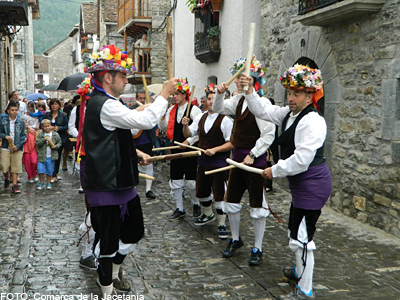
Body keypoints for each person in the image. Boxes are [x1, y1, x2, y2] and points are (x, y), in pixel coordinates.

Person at [83, 44, 177, 297]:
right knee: (108, 243)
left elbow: (114, 135)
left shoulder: (107, 102)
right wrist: (164, 95)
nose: (126, 80)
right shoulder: (105, 104)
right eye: (122, 76)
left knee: (135, 231)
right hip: (106, 184)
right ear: (107, 77)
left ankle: (112, 275)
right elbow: (145, 122)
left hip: (120, 182)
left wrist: (134, 153)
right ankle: (106, 290)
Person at [244, 64, 331, 300]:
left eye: (297, 94)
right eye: (289, 93)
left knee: (302, 238)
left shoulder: (312, 121)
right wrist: (249, 90)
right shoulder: (289, 114)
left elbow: (302, 159)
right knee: (296, 230)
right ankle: (298, 271)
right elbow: (263, 111)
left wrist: (275, 169)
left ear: (310, 95)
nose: (291, 98)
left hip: (312, 185)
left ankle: (305, 290)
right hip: (302, 186)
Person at [214, 56, 275, 266]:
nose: (239, 82)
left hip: (255, 163)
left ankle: (258, 246)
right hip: (236, 161)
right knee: (230, 202)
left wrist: (254, 154)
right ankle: (235, 238)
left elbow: (268, 134)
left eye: (243, 78)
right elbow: (218, 109)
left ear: (253, 80)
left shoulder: (262, 103)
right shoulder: (238, 101)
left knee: (258, 207)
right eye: (238, 78)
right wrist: (219, 94)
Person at [181, 83, 233, 239]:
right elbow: (189, 134)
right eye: (209, 98)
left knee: (219, 192)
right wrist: (185, 126)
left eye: (214, 98)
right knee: (202, 190)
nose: (211, 101)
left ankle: (222, 223)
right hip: (203, 161)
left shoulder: (226, 120)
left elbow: (231, 142)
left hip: (219, 163)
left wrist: (215, 150)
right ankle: (208, 214)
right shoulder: (200, 117)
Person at [159, 78, 202, 220]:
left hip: (190, 148)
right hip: (175, 147)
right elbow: (163, 129)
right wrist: (162, 118)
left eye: (177, 94)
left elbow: (199, 133)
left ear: (185, 95)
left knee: (191, 179)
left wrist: (187, 141)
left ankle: (196, 204)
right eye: (174, 94)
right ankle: (180, 208)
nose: (174, 96)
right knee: (176, 178)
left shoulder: (195, 110)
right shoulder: (171, 110)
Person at [130, 90, 157, 199]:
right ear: (136, 98)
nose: (142, 100)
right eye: (140, 98)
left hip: (146, 140)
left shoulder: (149, 110)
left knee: (149, 163)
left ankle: (148, 189)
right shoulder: (132, 110)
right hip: (134, 141)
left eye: (143, 99)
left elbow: (153, 123)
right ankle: (133, 189)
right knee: (133, 165)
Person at [0, 100, 27, 194]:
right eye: (12, 110)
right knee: (4, 165)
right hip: (5, 146)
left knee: (16, 166)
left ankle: (14, 184)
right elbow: (0, 132)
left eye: (16, 110)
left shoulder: (21, 122)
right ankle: (7, 178)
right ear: (8, 111)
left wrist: (18, 146)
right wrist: (4, 136)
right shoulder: (3, 121)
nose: (14, 111)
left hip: (17, 147)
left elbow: (24, 136)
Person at [43, 99, 69, 182]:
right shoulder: (47, 115)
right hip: (48, 137)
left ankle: (55, 174)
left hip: (59, 138)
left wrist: (59, 128)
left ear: (59, 105)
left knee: (57, 157)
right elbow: (42, 124)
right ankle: (50, 173)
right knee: (49, 156)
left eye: (56, 104)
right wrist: (48, 128)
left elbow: (66, 126)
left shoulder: (63, 115)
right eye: (53, 104)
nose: (54, 106)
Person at [36, 119, 62, 190]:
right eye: (45, 126)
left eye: (48, 126)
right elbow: (37, 143)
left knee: (49, 170)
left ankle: (48, 182)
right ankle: (41, 182)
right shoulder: (40, 135)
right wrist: (43, 140)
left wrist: (55, 146)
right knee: (40, 169)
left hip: (51, 155)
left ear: (50, 126)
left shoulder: (55, 134)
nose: (47, 128)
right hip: (42, 155)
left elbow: (59, 142)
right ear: (42, 127)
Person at [23, 119, 38, 183]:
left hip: (33, 150)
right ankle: (30, 176)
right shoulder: (22, 132)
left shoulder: (32, 131)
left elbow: (36, 139)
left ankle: (35, 173)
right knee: (27, 165)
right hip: (25, 151)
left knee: (34, 162)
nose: (25, 124)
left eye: (26, 122)